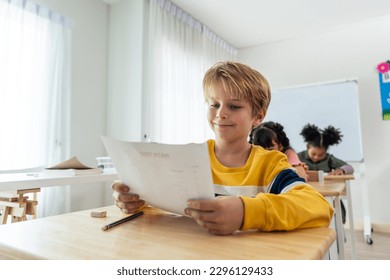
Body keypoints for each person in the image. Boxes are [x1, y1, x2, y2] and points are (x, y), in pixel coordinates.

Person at [112, 61, 333, 235]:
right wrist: (136, 202)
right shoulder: (187, 157)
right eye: (214, 104)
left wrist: (245, 212)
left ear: (258, 116)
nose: (220, 113)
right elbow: (164, 207)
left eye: (234, 106)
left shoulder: (270, 163)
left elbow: (319, 206)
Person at [298, 123, 354, 224]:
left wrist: (341, 170)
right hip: (307, 193)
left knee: (337, 213)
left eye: (320, 155)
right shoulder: (298, 157)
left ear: (326, 151)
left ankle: (339, 227)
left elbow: (349, 167)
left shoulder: (329, 159)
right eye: (313, 154)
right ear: (308, 147)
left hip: (327, 193)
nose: (316, 157)